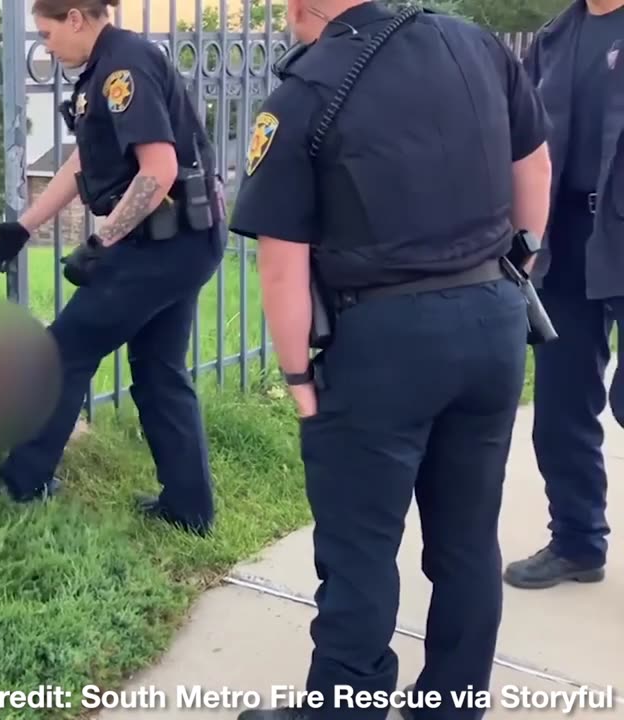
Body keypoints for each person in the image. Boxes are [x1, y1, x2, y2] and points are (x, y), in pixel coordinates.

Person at [225, 1, 552, 718]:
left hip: (382, 340)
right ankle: (454, 702)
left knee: (359, 548)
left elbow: (281, 266)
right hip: (493, 318)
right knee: (467, 538)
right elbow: (533, 161)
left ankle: (348, 705)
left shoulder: (304, 91)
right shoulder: (476, 43)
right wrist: (521, 258)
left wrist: (296, 376)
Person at [0, 0, 227, 535]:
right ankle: (189, 509)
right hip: (182, 240)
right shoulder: (105, 66)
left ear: (75, 17)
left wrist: (101, 241)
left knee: (63, 352)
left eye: (46, 33)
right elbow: (86, 158)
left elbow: (158, 169)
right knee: (160, 372)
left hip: (160, 246)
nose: (45, 47)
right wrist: (26, 224)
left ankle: (21, 487)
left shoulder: (123, 68)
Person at [503, 0, 624, 591]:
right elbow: (519, 136)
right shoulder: (555, 37)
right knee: (560, 404)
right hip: (568, 239)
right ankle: (577, 541)